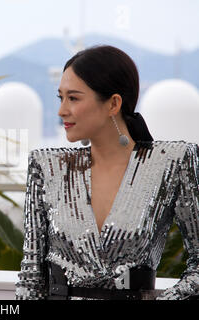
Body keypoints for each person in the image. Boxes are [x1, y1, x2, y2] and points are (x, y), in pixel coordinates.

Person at [15, 45, 198, 300]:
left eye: (74, 98)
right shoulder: (46, 166)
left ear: (113, 104)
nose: (62, 110)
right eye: (61, 98)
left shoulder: (171, 163)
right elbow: (31, 276)